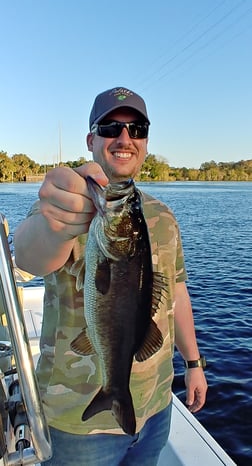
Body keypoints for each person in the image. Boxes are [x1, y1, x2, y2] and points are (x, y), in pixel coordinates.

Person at [14, 87, 207, 465]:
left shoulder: (163, 217)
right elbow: (30, 254)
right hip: (77, 423)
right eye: (110, 128)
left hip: (156, 406)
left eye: (136, 128)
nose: (124, 138)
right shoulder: (69, 201)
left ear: (146, 142)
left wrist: (194, 364)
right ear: (91, 139)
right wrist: (55, 226)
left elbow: (177, 294)